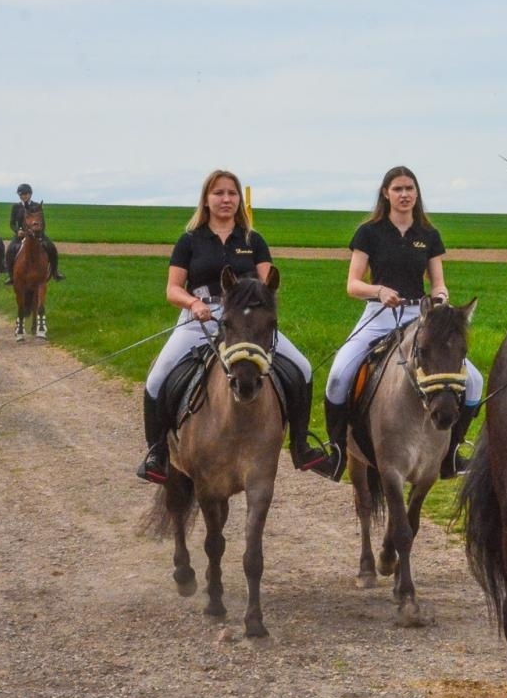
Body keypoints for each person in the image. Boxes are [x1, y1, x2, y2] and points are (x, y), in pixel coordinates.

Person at [135, 169, 336, 484]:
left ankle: (300, 445)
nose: (225, 199)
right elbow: (172, 288)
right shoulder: (190, 240)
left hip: (247, 323)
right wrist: (193, 304)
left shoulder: (253, 240)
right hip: (200, 316)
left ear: (239, 200)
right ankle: (157, 454)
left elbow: (268, 286)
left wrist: (259, 312)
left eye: (231, 193)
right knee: (158, 376)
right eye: (218, 193)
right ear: (206, 199)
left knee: (303, 367)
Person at [321, 166, 484, 481]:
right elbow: (352, 285)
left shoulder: (429, 235)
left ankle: (451, 453)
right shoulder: (368, 232)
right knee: (339, 375)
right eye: (398, 189)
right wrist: (378, 291)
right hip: (378, 315)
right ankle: (338, 451)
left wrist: (440, 298)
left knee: (474, 381)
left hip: (420, 317)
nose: (405, 194)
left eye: (410, 188)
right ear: (386, 193)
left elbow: (438, 282)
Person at [5, 183, 64, 282]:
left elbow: (42, 222)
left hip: (37, 235)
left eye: (25, 194)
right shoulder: (16, 207)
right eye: (21, 194)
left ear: (30, 194)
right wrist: (18, 231)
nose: (23, 196)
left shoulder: (37, 205)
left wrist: (38, 232)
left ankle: (55, 272)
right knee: (10, 250)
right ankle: (11, 275)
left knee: (51, 247)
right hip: (21, 235)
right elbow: (12, 223)